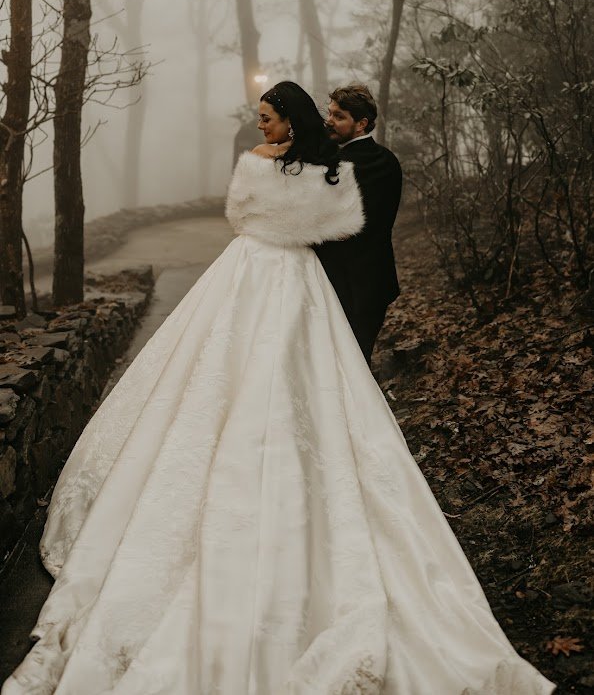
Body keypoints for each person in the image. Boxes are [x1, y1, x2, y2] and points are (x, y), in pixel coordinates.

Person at [2, 81, 555, 695]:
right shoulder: (315, 163)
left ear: (288, 118)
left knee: (290, 371)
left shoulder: (297, 162)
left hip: (280, 273)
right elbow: (324, 221)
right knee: (237, 368)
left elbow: (264, 219)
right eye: (262, 118)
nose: (261, 126)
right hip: (283, 272)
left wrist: (282, 220)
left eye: (267, 117)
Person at [314, 84, 402, 365]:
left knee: (344, 364)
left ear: (361, 123)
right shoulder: (387, 159)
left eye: (339, 116)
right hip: (373, 282)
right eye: (330, 113)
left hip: (347, 284)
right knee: (354, 363)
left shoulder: (340, 164)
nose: (329, 121)